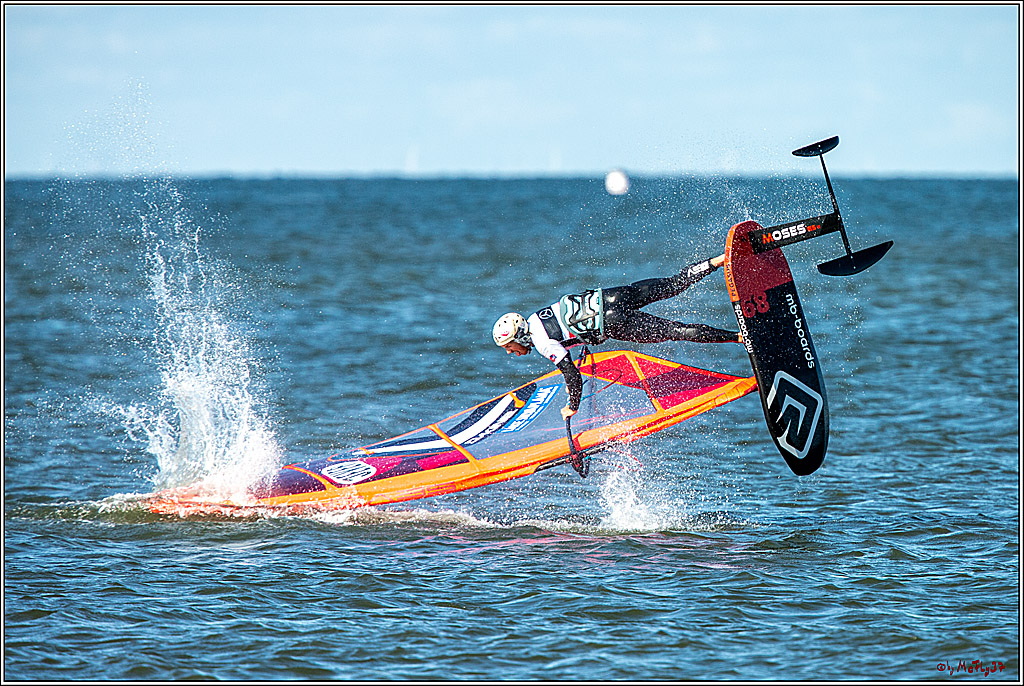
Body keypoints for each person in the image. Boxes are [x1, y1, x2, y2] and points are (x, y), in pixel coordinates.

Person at [492, 255, 741, 422]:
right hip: (613, 296)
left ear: (518, 338)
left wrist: (572, 407)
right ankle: (721, 259)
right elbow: (568, 327)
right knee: (673, 284)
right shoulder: (535, 317)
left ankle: (740, 337)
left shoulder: (543, 344)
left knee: (675, 330)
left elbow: (572, 375)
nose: (510, 352)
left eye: (509, 347)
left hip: (613, 323)